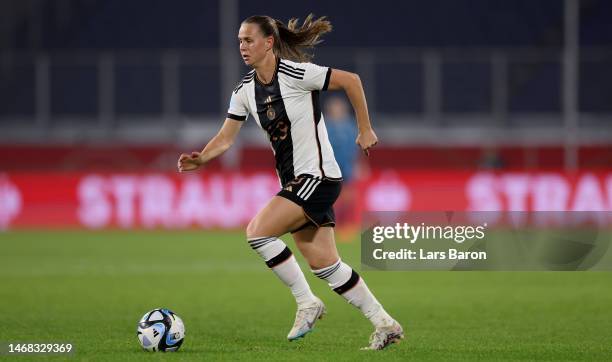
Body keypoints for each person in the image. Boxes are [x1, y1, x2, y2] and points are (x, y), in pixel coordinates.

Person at [177, 14, 403, 350]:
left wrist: (365, 128)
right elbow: (225, 138)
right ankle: (385, 324)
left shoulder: (296, 74)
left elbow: (352, 81)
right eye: (239, 40)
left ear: (268, 42)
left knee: (257, 231)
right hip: (299, 181)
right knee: (323, 263)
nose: (242, 46)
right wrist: (203, 158)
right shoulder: (244, 92)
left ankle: (307, 303)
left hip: (318, 177)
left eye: (249, 39)